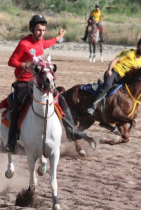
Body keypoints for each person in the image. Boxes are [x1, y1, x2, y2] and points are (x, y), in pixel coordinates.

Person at [5, 14, 87, 152]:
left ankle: (71, 130)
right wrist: (25, 65)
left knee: (59, 97)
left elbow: (47, 43)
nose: (41, 33)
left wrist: (59, 37)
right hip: (24, 83)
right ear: (32, 29)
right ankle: (11, 142)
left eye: (43, 30)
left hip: (38, 81)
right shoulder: (24, 44)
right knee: (17, 109)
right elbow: (11, 61)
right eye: (38, 30)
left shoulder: (41, 41)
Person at [86, 37, 141, 115]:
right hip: (114, 73)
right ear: (138, 45)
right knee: (107, 86)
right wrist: (109, 70)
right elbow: (115, 60)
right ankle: (92, 106)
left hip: (123, 79)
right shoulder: (129, 52)